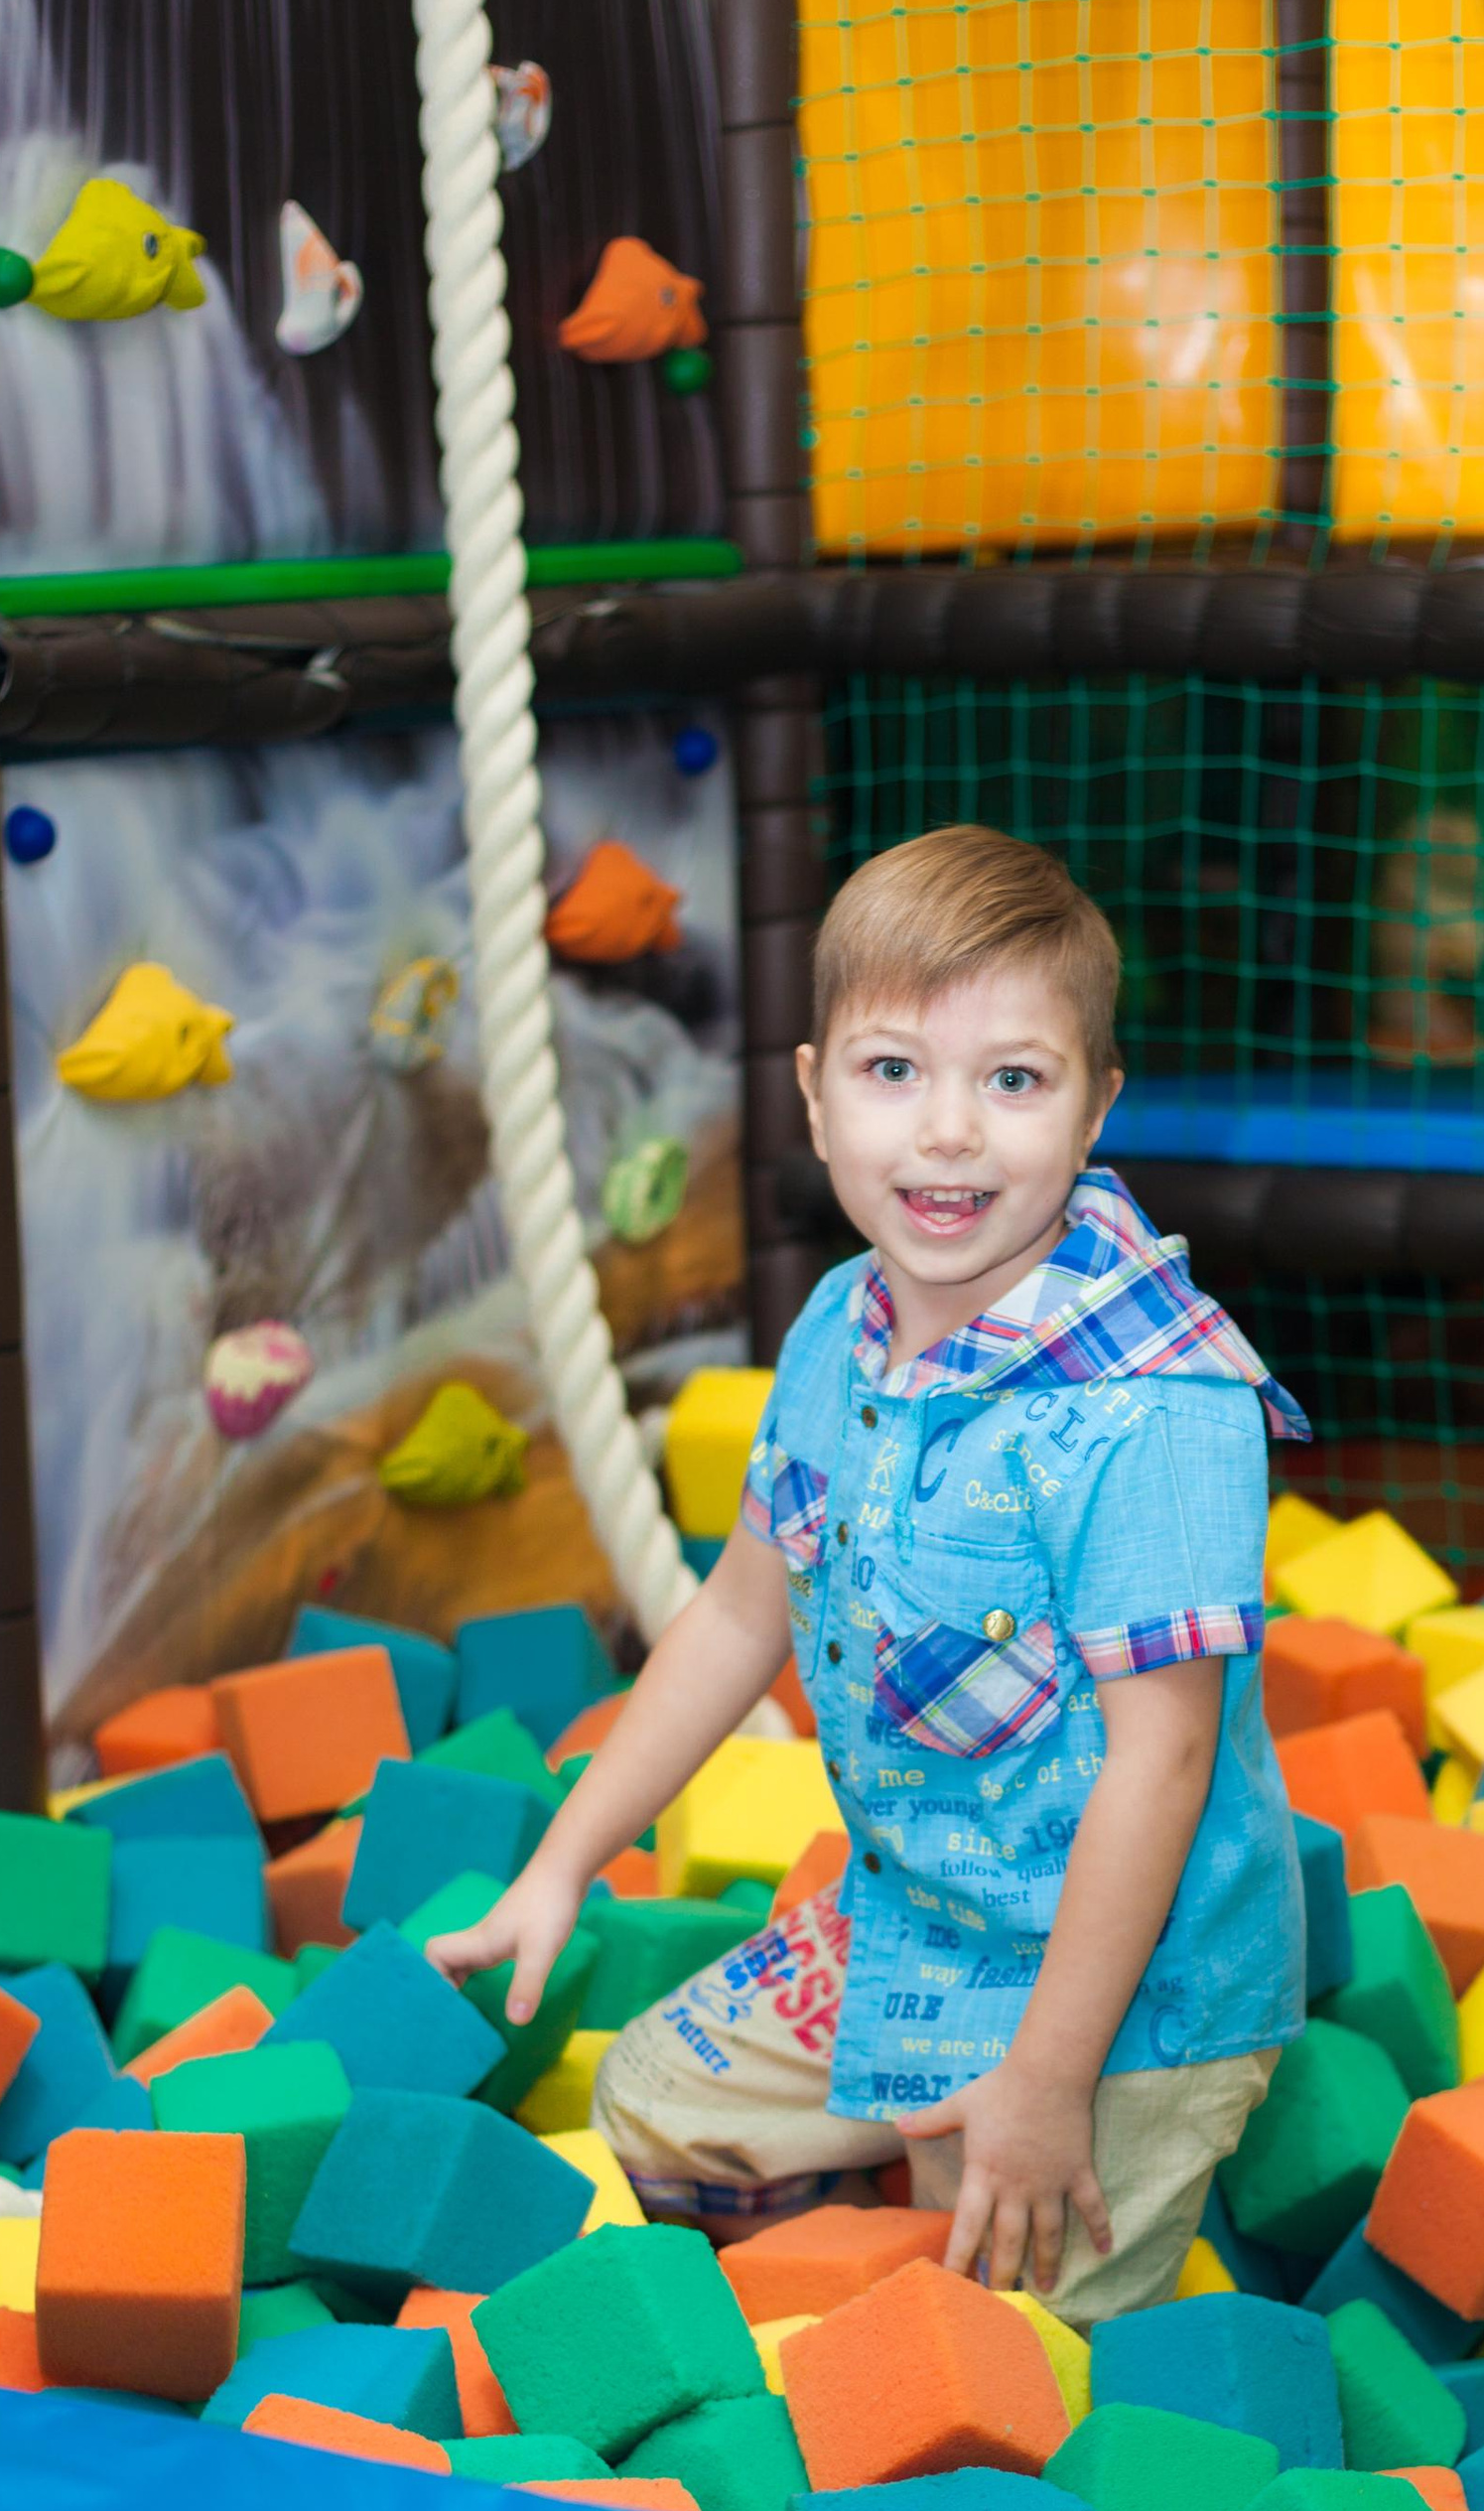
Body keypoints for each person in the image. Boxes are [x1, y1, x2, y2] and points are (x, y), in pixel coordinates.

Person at [425, 823, 1311, 2321]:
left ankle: (1001, 2218)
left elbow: (1158, 1772)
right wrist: (563, 1865)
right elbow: (734, 1615)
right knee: (649, 2109)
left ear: (1096, 1108)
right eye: (895, 1071)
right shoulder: (842, 1326)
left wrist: (1043, 2087)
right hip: (922, 1923)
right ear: (816, 1095)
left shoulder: (1156, 1408)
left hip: (1134, 1992)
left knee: (1003, 2372)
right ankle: (865, 2237)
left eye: (1012, 1080)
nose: (949, 1133)